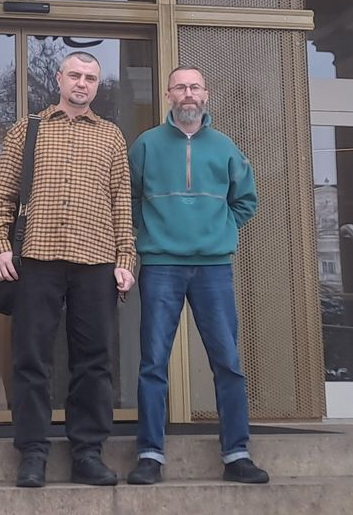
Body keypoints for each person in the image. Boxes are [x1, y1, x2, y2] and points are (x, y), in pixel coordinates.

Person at [0, 51, 136, 488]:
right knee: (31, 358)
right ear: (59, 79)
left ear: (97, 85)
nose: (82, 83)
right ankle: (33, 453)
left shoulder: (111, 136)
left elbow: (122, 204)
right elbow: (1, 196)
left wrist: (126, 260)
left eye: (90, 78)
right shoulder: (28, 129)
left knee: (94, 362)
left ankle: (88, 453)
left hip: (97, 261)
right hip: (37, 258)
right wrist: (0, 247)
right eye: (75, 75)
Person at [125, 65, 269, 486]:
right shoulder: (146, 145)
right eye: (180, 87)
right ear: (168, 95)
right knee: (153, 363)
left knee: (227, 362)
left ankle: (237, 455)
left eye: (195, 87)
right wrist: (152, 231)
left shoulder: (225, 147)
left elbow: (246, 200)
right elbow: (127, 197)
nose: (188, 94)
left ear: (205, 94)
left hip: (214, 267)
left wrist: (219, 231)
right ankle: (150, 455)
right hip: (160, 264)